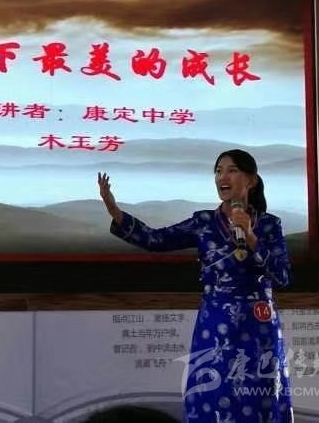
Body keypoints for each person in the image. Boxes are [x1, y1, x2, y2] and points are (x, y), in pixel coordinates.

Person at [98, 149, 293, 423]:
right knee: (212, 392)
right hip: (215, 323)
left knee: (259, 394)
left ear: (251, 180)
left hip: (258, 325)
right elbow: (156, 240)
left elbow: (282, 276)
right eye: (218, 171)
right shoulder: (204, 222)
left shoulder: (270, 225)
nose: (222, 177)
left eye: (232, 170)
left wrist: (251, 238)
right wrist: (115, 212)